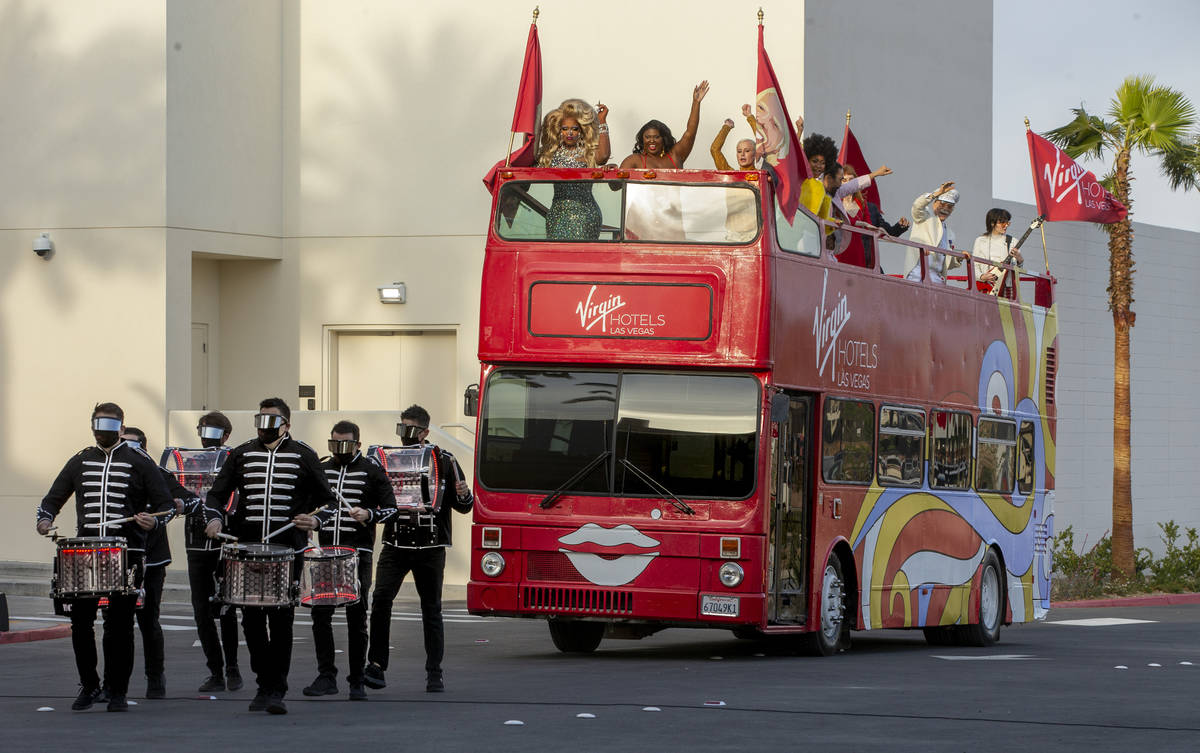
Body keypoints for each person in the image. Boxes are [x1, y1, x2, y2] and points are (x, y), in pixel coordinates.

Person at [202, 397, 337, 715]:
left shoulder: (304, 455)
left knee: (280, 620)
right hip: (247, 550)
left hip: (287, 551)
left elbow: (328, 502)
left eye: (272, 420)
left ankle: (276, 688)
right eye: (260, 419)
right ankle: (264, 682)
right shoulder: (241, 453)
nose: (265, 426)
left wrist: (315, 520)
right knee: (250, 618)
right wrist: (215, 517)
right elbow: (216, 494)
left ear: (286, 425)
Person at [35, 402, 172, 712]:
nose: (103, 432)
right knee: (80, 622)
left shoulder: (139, 460)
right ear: (92, 426)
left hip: (128, 552)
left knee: (120, 624)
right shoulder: (80, 460)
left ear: (121, 429)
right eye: (98, 425)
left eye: (110, 427)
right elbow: (52, 499)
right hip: (85, 552)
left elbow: (164, 504)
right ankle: (89, 684)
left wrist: (154, 519)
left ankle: (117, 690)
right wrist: (44, 520)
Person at [365, 404, 473, 694]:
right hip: (396, 542)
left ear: (425, 431)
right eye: (401, 429)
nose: (405, 436)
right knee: (381, 600)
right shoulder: (388, 459)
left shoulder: (444, 460)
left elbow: (464, 505)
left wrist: (464, 495)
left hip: (431, 545)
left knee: (432, 609)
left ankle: (434, 671)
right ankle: (376, 664)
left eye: (410, 430)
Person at [302, 420, 396, 702]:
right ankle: (326, 675)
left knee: (357, 617)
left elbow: (392, 509)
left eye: (344, 444)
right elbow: (309, 504)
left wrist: (369, 514)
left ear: (357, 443)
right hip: (326, 553)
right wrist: (310, 519)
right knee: (320, 614)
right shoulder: (323, 469)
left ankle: (356, 680)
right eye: (334, 444)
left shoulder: (371, 470)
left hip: (358, 554)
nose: (338, 450)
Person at [176, 411, 242, 693]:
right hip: (195, 541)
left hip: (225, 542)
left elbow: (237, 496)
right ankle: (214, 669)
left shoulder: (233, 459)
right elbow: (179, 490)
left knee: (226, 607)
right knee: (201, 611)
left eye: (213, 432)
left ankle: (232, 668)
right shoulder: (189, 461)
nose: (206, 437)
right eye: (203, 430)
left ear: (226, 436)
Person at [118, 426, 177, 700]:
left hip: (152, 558)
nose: (128, 451)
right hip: (120, 557)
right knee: (115, 623)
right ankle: (115, 684)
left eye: (134, 445)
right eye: (123, 444)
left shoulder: (157, 473)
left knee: (148, 620)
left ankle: (155, 677)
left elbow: (182, 501)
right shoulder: (114, 474)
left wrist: (165, 512)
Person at [537, 99, 611, 240]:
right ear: (559, 130)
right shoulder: (550, 154)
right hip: (557, 215)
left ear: (581, 131)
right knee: (556, 258)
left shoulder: (587, 153)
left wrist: (602, 121)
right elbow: (528, 161)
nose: (569, 133)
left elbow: (603, 157)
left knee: (581, 258)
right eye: (565, 129)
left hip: (586, 215)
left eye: (574, 129)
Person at [619, 81, 709, 169]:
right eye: (647, 137)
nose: (651, 140)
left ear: (664, 139)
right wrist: (610, 171)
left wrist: (696, 102)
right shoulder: (634, 160)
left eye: (656, 137)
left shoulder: (675, 155)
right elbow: (616, 183)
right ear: (642, 139)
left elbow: (690, 133)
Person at [834, 163, 897, 268]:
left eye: (851, 180)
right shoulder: (835, 202)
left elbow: (869, 226)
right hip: (841, 248)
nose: (848, 183)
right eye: (844, 180)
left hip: (858, 249)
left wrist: (877, 229)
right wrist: (863, 224)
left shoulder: (862, 203)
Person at [905, 181, 959, 283]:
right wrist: (936, 193)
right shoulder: (925, 217)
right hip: (917, 274)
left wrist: (959, 259)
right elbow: (917, 206)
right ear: (934, 204)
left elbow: (945, 262)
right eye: (942, 204)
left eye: (949, 207)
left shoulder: (950, 233)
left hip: (936, 278)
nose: (945, 209)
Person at [972, 208, 1022, 287]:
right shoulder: (980, 240)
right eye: (1002, 223)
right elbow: (974, 265)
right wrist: (981, 276)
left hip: (1005, 286)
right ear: (992, 223)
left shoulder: (1013, 241)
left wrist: (1020, 260)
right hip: (985, 286)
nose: (1005, 226)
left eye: (1007, 223)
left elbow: (1018, 270)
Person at [710, 105, 759, 170]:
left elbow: (763, 141)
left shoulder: (762, 174)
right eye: (739, 151)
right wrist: (726, 127)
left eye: (747, 151)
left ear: (755, 154)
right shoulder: (731, 174)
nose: (742, 154)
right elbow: (714, 149)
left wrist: (750, 116)